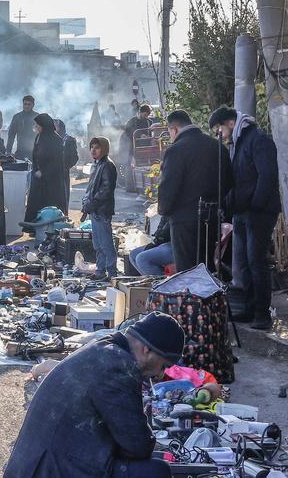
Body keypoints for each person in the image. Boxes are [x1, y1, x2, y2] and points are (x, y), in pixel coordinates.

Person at [4, 312, 184, 478]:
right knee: (155, 471)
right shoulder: (118, 366)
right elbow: (137, 445)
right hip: (46, 470)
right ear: (147, 349)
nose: (160, 375)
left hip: (35, 465)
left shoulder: (104, 347)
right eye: (164, 366)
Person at [210, 106, 281, 329]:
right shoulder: (238, 143)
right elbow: (237, 179)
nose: (219, 134)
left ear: (230, 123)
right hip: (242, 211)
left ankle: (262, 313)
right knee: (242, 263)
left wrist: (255, 205)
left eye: (219, 129)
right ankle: (249, 309)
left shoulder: (258, 140)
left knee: (255, 261)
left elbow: (267, 176)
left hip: (258, 212)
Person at [157, 110, 233, 272]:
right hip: (212, 217)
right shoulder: (217, 146)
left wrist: (164, 211)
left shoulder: (176, 150)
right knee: (208, 266)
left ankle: (192, 297)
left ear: (174, 129)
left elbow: (168, 188)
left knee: (187, 270)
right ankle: (210, 297)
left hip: (184, 220)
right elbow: (229, 183)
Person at [82, 137, 118, 280]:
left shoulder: (107, 165)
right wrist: (87, 204)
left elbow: (105, 190)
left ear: (104, 149)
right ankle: (100, 271)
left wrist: (92, 204)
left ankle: (112, 273)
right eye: (92, 147)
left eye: (97, 147)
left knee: (106, 243)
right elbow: (92, 188)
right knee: (98, 244)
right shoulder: (97, 164)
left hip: (101, 210)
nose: (93, 150)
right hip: (95, 210)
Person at [24, 113, 68, 222]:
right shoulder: (39, 136)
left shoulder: (56, 140)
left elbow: (56, 161)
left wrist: (43, 171)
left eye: (38, 125)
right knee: (36, 202)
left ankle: (50, 227)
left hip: (52, 180)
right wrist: (36, 169)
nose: (36, 127)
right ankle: (35, 227)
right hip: (39, 178)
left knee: (51, 204)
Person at [118, 104, 152, 191]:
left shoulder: (148, 122)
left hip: (142, 146)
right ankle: (130, 187)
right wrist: (140, 135)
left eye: (147, 115)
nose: (145, 117)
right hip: (129, 145)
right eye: (144, 115)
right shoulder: (131, 121)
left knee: (143, 165)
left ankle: (144, 186)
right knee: (128, 164)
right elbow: (128, 132)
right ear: (140, 112)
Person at [6, 95, 38, 160]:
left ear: (33, 105)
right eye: (25, 104)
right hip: (21, 151)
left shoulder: (37, 117)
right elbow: (11, 135)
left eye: (29, 104)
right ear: (23, 104)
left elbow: (42, 135)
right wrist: (8, 151)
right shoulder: (17, 117)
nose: (27, 106)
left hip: (34, 151)